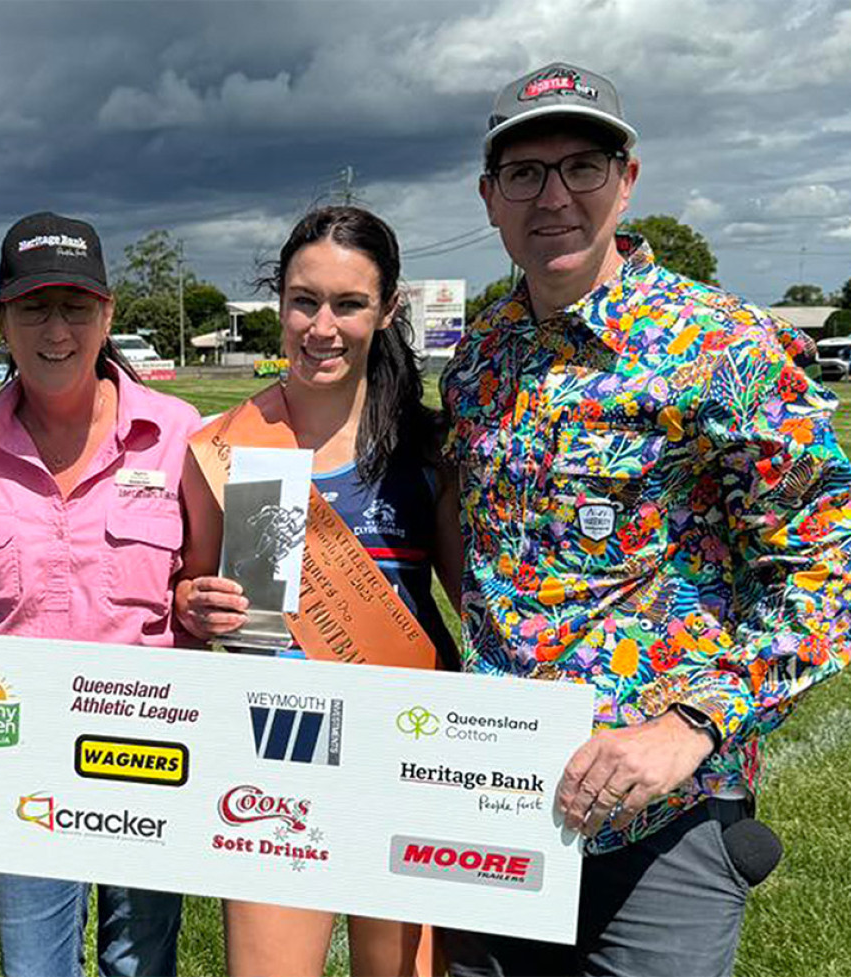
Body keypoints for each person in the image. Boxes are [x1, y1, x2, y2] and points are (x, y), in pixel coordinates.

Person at [440, 62, 851, 977]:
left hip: (661, 823)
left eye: (581, 165)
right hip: (491, 801)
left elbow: (830, 565)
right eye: (524, 173)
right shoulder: (479, 359)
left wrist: (693, 726)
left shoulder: (721, 347)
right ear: (490, 197)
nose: (553, 196)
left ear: (627, 180)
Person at [176, 205, 462, 977]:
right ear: (279, 304)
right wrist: (191, 603)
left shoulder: (429, 449)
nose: (322, 326)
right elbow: (190, 591)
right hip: (275, 757)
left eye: (349, 304)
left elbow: (478, 605)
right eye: (304, 301)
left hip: (410, 750)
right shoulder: (223, 446)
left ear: (389, 309)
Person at [0, 211, 200, 977]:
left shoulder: (181, 436)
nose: (56, 329)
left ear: (107, 315)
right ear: (3, 319)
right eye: (34, 306)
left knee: (141, 963)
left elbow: (209, 586)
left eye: (76, 306)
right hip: (18, 757)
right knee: (33, 969)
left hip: (149, 746)